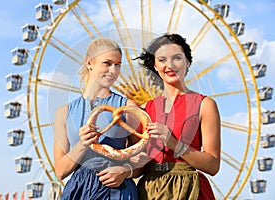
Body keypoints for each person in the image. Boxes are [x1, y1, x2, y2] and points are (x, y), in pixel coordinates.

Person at [132, 33, 221, 199]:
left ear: (187, 62)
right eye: (162, 60)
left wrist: (174, 143)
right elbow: (137, 170)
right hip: (150, 190)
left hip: (189, 189)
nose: (170, 65)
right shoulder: (143, 110)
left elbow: (213, 165)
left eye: (177, 58)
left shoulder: (205, 105)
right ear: (154, 65)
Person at [53, 38, 140, 200]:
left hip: (117, 189)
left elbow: (143, 160)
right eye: (107, 63)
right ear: (89, 63)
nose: (113, 71)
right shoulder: (64, 113)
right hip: (79, 190)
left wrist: (125, 171)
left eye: (118, 65)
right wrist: (83, 143)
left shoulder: (128, 107)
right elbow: (60, 171)